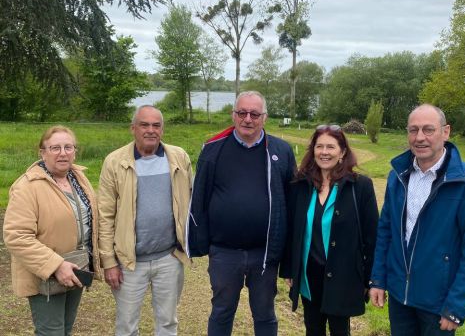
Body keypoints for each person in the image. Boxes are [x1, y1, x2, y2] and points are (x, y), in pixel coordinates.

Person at [369, 104, 465, 335]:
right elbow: (386, 230)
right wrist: (378, 279)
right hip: (399, 296)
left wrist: (457, 305)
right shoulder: (398, 177)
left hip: (438, 302)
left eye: (428, 130)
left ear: (445, 132)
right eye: (413, 130)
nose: (419, 138)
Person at [186, 91, 296, 336]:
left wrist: (287, 254)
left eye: (254, 114)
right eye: (242, 113)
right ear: (233, 115)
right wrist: (201, 243)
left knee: (265, 314)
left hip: (265, 253)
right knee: (222, 311)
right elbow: (200, 198)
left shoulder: (281, 151)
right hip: (225, 252)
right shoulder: (213, 149)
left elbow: (291, 203)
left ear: (264, 117)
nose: (248, 119)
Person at [98, 105, 192, 336]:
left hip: (169, 258)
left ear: (162, 129)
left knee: (168, 322)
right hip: (129, 262)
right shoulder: (114, 162)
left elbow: (192, 202)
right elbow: (105, 215)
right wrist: (109, 261)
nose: (150, 130)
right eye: (144, 125)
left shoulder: (179, 157)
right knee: (127, 325)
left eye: (156, 125)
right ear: (133, 128)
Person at [280, 125, 378, 336]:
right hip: (309, 275)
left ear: (342, 152)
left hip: (343, 276)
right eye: (319, 146)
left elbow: (372, 238)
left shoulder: (360, 187)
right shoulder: (300, 185)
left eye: (331, 147)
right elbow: (292, 231)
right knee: (312, 329)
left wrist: (370, 279)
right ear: (313, 150)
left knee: (340, 331)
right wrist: (289, 269)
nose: (324, 152)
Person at [3, 125, 101, 335]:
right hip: (46, 274)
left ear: (75, 151)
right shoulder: (27, 187)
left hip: (76, 267)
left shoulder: (78, 178)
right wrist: (56, 265)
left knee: (65, 329)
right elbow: (16, 237)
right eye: (55, 148)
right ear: (42, 152)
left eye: (68, 147)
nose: (63, 153)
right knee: (51, 332)